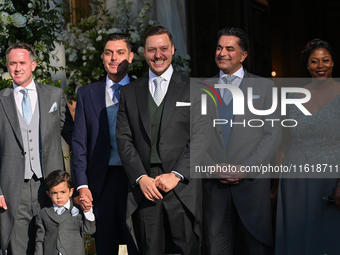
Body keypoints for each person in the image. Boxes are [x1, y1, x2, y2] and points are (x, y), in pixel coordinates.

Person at [116, 25, 201, 255]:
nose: (158, 55)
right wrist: (140, 178)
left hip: (181, 187)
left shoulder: (194, 88)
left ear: (173, 49)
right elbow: (123, 138)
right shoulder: (129, 92)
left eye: (163, 48)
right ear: (144, 52)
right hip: (146, 189)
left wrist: (177, 175)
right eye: (152, 49)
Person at [202, 27, 281, 255]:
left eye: (229, 48)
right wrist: (212, 167)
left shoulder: (265, 87)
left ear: (243, 55)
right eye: (219, 47)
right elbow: (193, 137)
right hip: (214, 190)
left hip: (252, 188)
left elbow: (272, 134)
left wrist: (246, 168)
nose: (222, 53)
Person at [0, 42, 73, 255]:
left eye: (22, 62)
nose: (17, 68)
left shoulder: (54, 95)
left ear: (33, 64)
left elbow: (73, 137)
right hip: (14, 189)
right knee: (19, 248)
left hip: (50, 187)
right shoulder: (0, 100)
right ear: (7, 66)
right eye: (12, 63)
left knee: (51, 245)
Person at [71, 33, 139, 254]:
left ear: (131, 56)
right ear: (102, 57)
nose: (113, 58)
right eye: (108, 53)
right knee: (105, 247)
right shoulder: (86, 93)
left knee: (139, 245)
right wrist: (82, 185)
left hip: (136, 182)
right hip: (101, 184)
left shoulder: (143, 91)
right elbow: (79, 144)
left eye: (120, 53)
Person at [275, 39, 340, 255]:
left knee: (328, 237)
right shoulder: (294, 96)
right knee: (298, 238)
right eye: (314, 61)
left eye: (325, 60)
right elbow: (285, 140)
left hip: (330, 178)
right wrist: (276, 182)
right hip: (295, 181)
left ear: (333, 63)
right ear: (307, 65)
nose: (320, 65)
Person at [34, 170, 95, 255]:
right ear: (48, 194)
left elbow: (89, 230)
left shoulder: (78, 211)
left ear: (71, 192)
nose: (59, 197)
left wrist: (87, 211)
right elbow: (39, 240)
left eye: (63, 192)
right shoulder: (43, 214)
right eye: (54, 193)